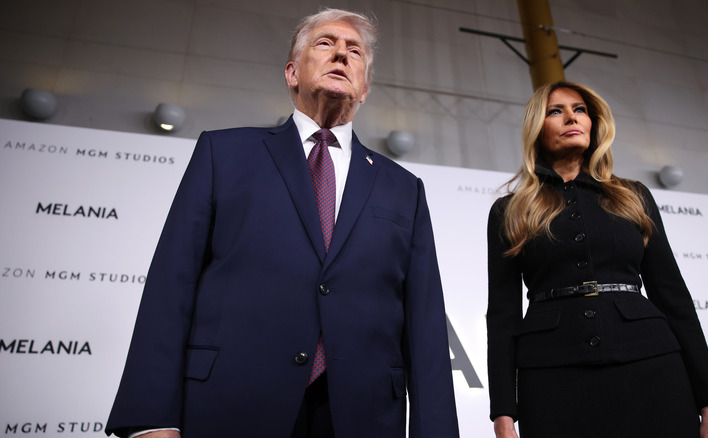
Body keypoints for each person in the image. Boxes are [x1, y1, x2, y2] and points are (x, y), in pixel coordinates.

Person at [106, 8, 459, 438]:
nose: (342, 55)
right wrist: (150, 418)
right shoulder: (224, 154)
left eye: (355, 51)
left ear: (364, 89)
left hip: (362, 416)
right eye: (326, 44)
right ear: (292, 72)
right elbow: (171, 282)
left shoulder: (405, 187)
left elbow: (424, 321)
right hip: (231, 404)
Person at [486, 82, 708, 438]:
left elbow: (673, 297)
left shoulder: (633, 196)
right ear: (537, 128)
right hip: (552, 377)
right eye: (556, 111)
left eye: (580, 109)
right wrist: (503, 414)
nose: (571, 117)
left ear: (594, 122)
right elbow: (503, 315)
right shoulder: (509, 210)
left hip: (652, 367)